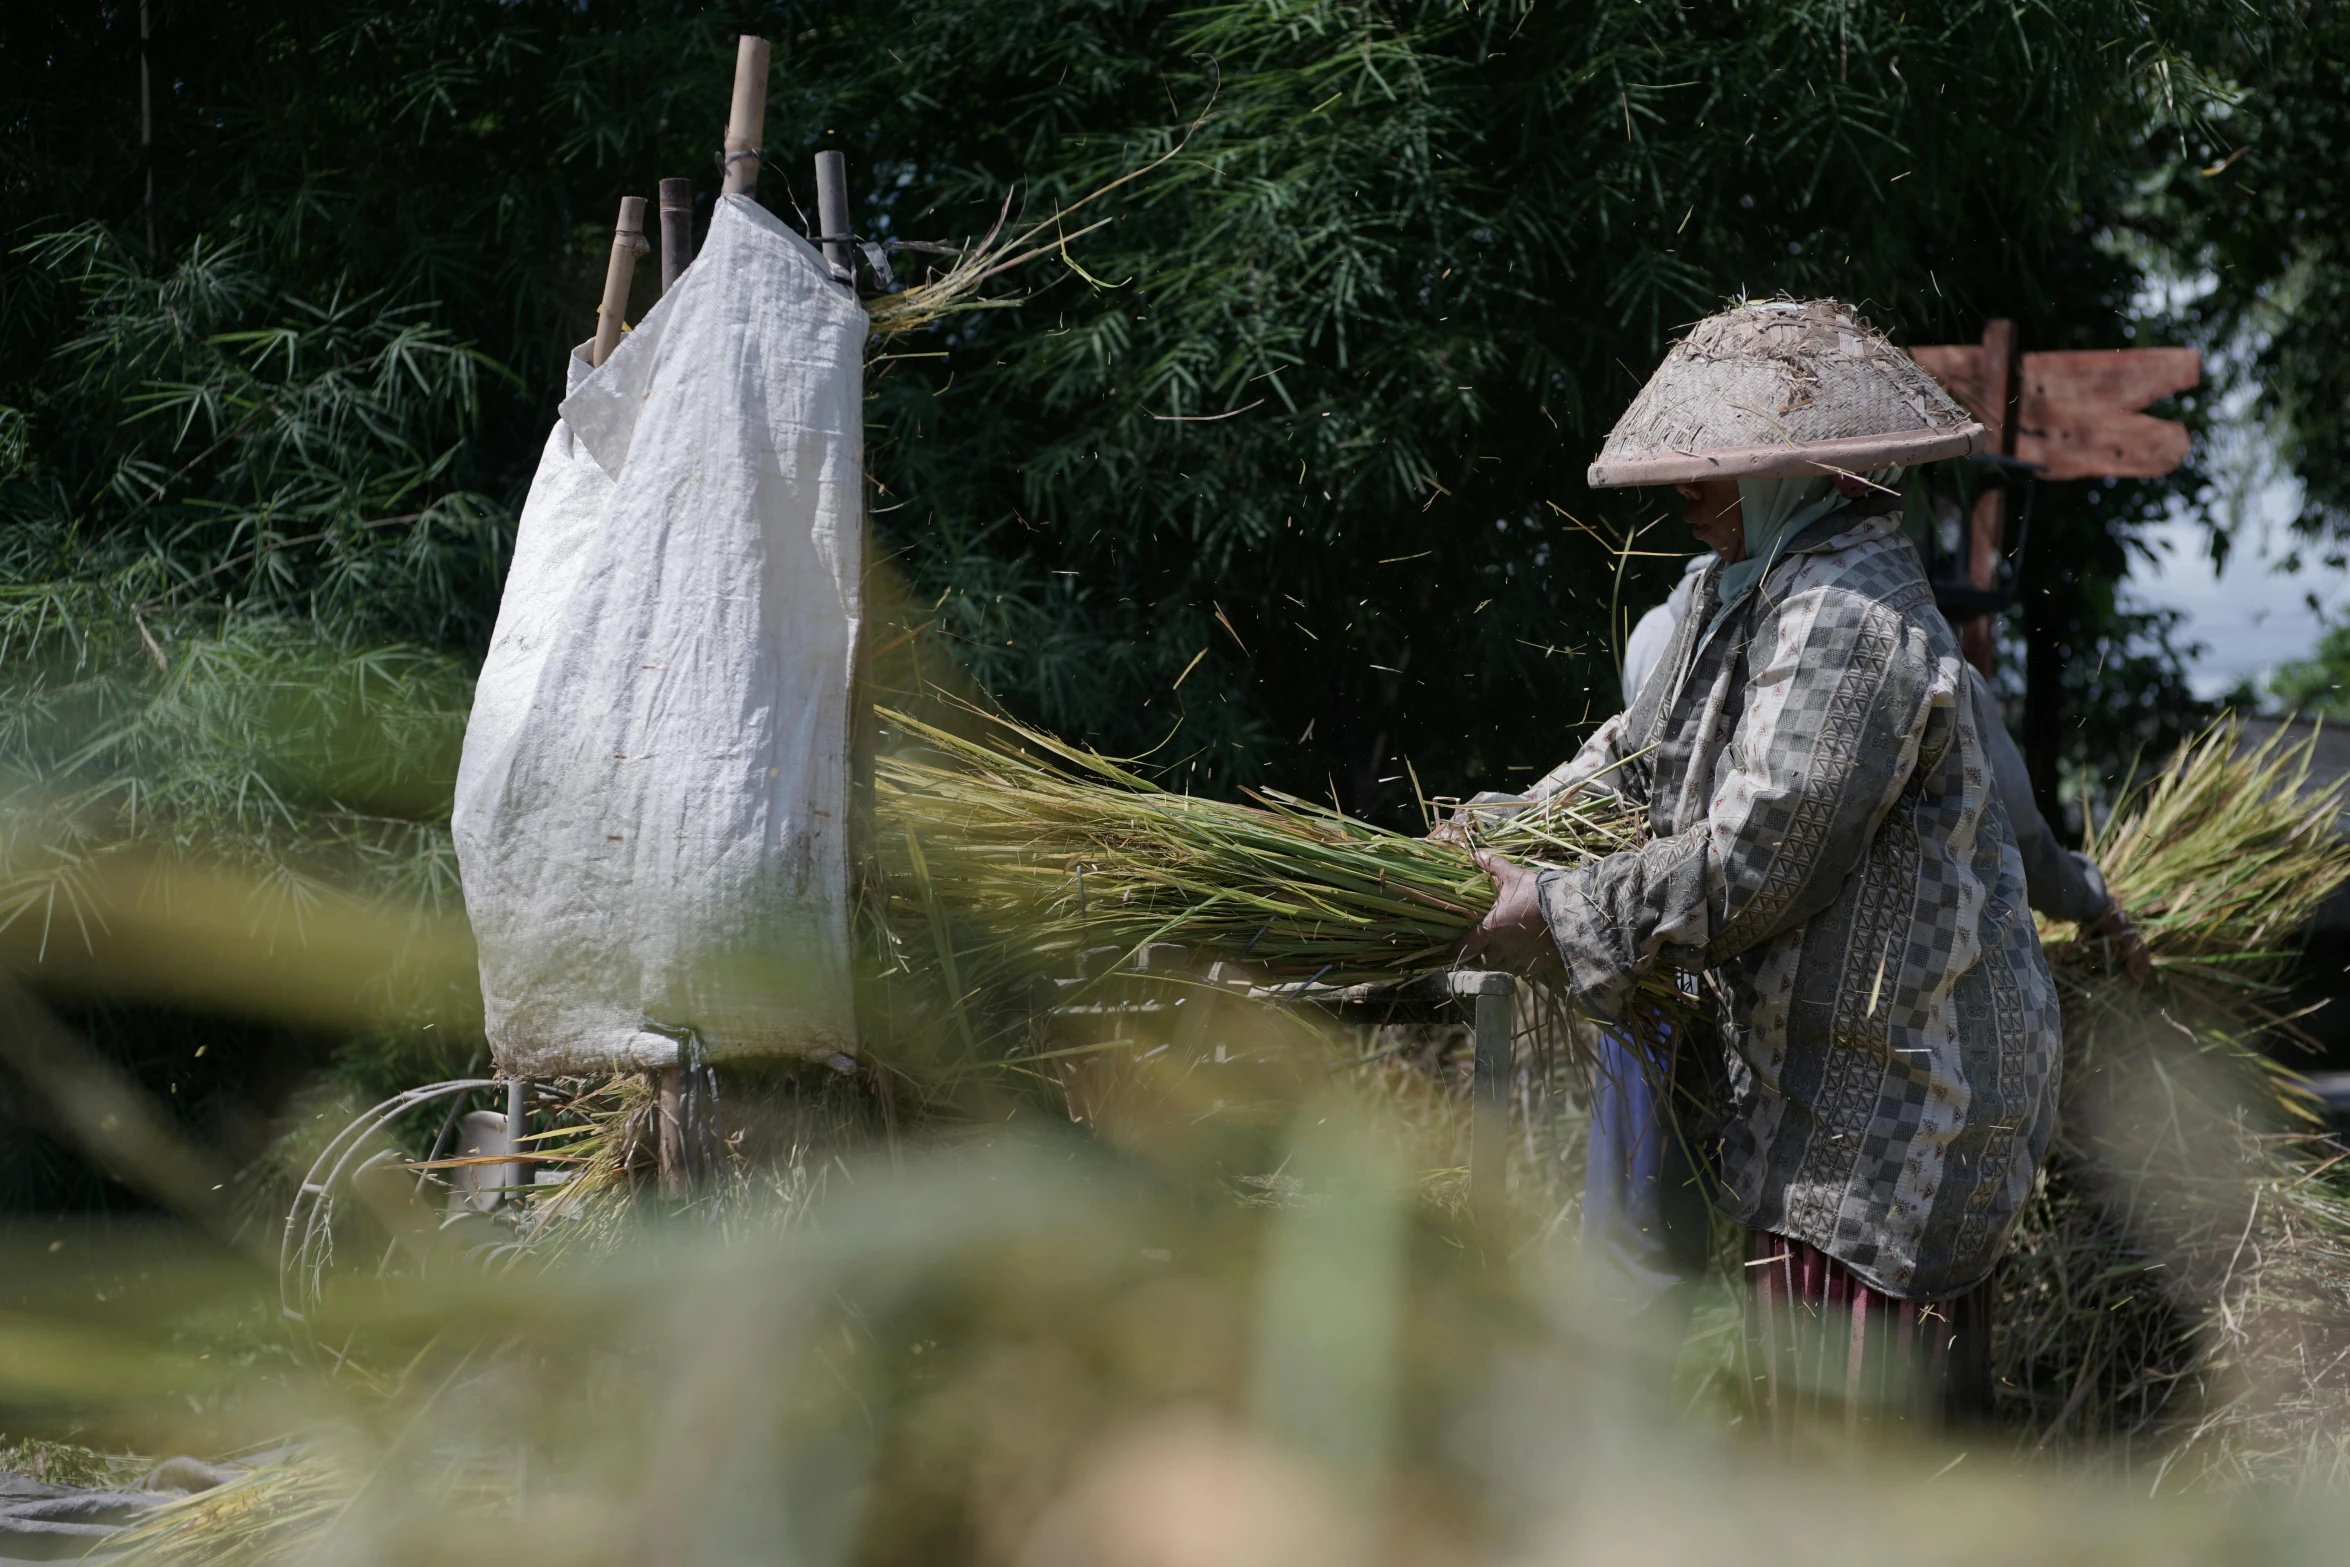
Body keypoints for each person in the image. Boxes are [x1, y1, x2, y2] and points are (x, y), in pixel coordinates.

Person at [1460, 300, 2067, 1424]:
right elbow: (1634, 756)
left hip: (1894, 1110)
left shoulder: (1851, 616)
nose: (1687, 488)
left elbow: (1755, 862)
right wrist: (1490, 833)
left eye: (1717, 463)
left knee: (1858, 1459)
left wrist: (1555, 907)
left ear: (1798, 468)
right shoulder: (1728, 591)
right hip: (1812, 1096)